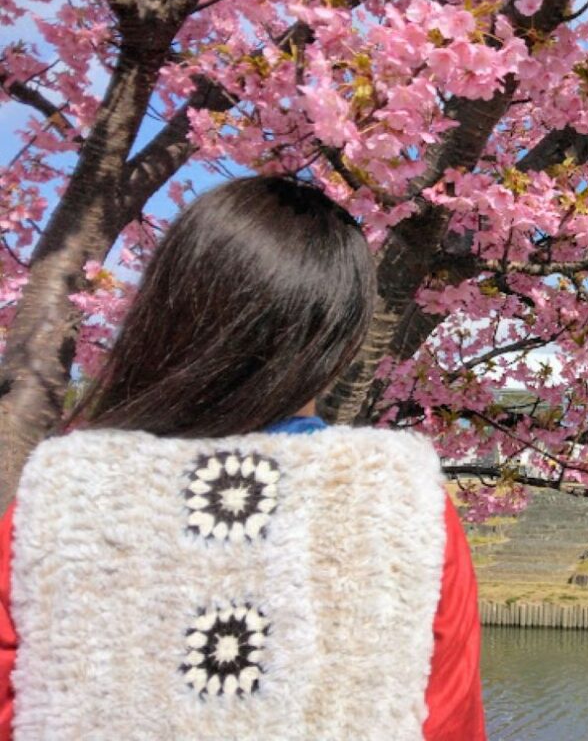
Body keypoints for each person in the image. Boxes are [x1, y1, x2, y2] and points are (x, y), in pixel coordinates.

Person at [0, 175, 485, 740]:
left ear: (163, 310)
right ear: (341, 340)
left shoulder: (61, 500)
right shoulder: (400, 501)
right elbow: (448, 722)